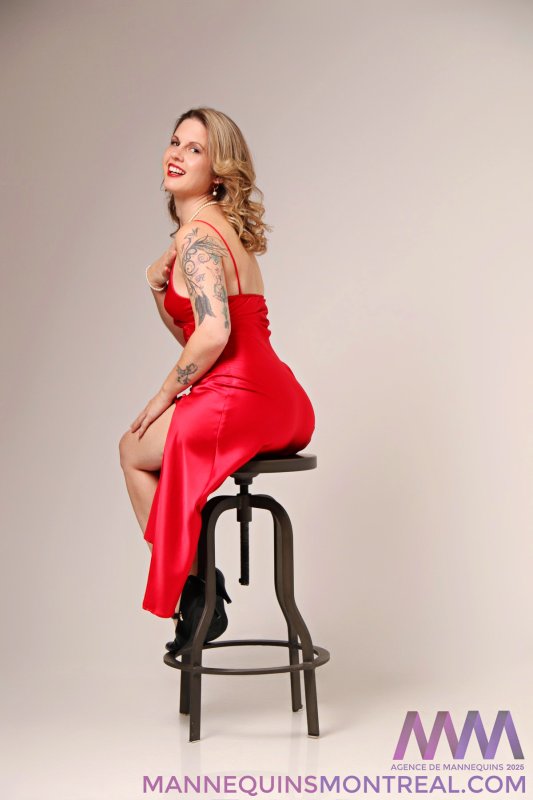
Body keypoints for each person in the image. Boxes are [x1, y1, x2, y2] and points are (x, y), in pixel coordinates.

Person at [118, 107, 315, 650]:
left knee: (131, 449)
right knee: (146, 447)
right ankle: (198, 581)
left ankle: (197, 589)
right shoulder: (220, 234)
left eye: (195, 149)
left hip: (239, 397)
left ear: (219, 172)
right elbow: (196, 332)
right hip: (285, 404)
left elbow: (211, 335)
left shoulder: (198, 238)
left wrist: (164, 396)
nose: (177, 155)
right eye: (174, 142)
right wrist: (159, 289)